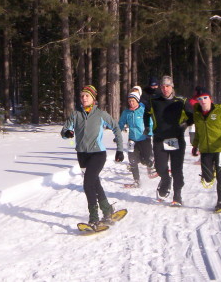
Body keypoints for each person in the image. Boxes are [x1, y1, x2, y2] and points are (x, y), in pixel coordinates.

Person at [61, 85, 124, 227]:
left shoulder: (101, 114)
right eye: (82, 96)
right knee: (95, 183)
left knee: (88, 183)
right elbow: (64, 131)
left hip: (98, 154)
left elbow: (116, 128)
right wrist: (67, 134)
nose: (84, 98)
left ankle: (94, 217)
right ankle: (107, 210)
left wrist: (119, 149)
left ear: (93, 98)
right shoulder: (76, 114)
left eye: (87, 96)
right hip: (82, 155)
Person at [146, 75, 193, 206]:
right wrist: (146, 126)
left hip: (176, 139)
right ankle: (166, 180)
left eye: (167, 86)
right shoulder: (154, 100)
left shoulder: (181, 101)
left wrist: (185, 125)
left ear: (172, 86)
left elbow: (192, 116)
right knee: (160, 167)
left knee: (177, 169)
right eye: (163, 86)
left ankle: (177, 196)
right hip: (159, 139)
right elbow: (146, 113)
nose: (165, 89)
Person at [117, 88, 154, 188]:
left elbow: (150, 122)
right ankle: (137, 181)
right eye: (129, 101)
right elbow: (120, 123)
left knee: (144, 160)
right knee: (132, 160)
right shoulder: (126, 112)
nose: (131, 103)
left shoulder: (143, 110)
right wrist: (117, 135)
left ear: (137, 100)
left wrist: (149, 132)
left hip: (144, 138)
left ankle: (153, 164)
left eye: (133, 101)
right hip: (132, 140)